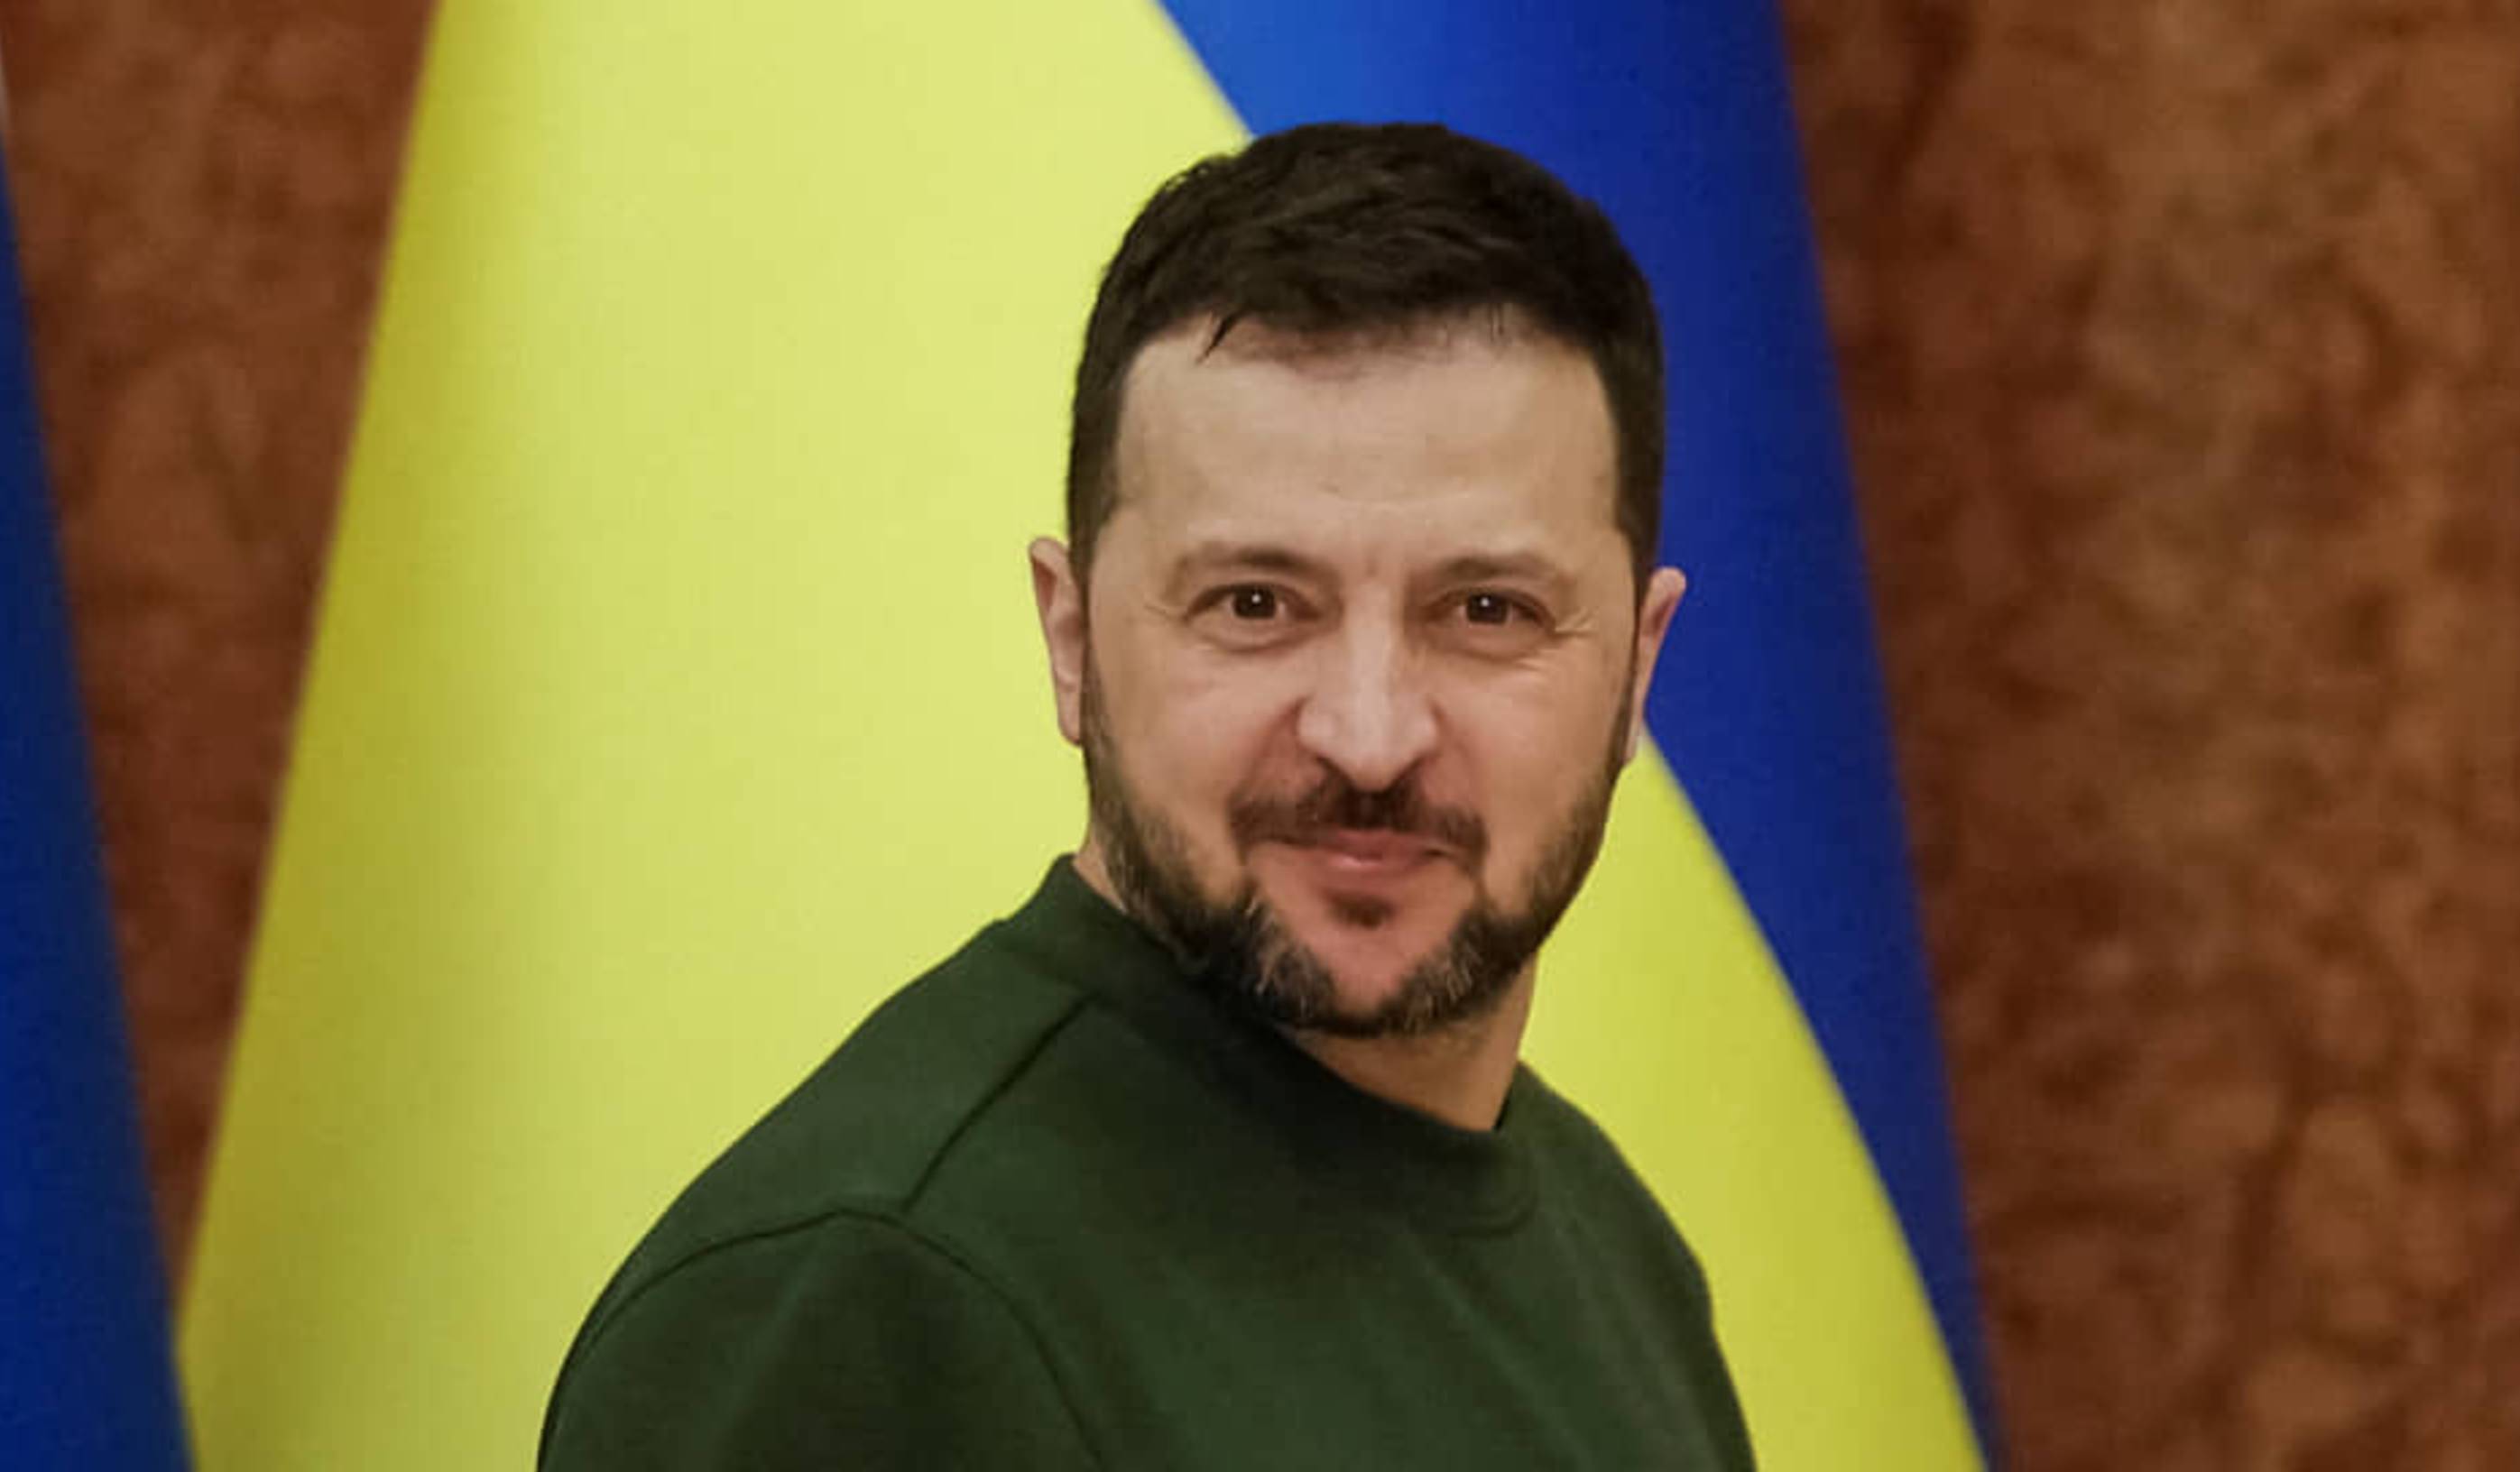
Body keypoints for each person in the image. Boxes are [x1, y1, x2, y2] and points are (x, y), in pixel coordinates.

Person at [538, 121, 1754, 1470]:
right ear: (1072, 641)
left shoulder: (1615, 1253)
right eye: (1255, 604)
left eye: (1486, 611)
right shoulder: (870, 1306)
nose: (1367, 739)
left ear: (1638, 666)